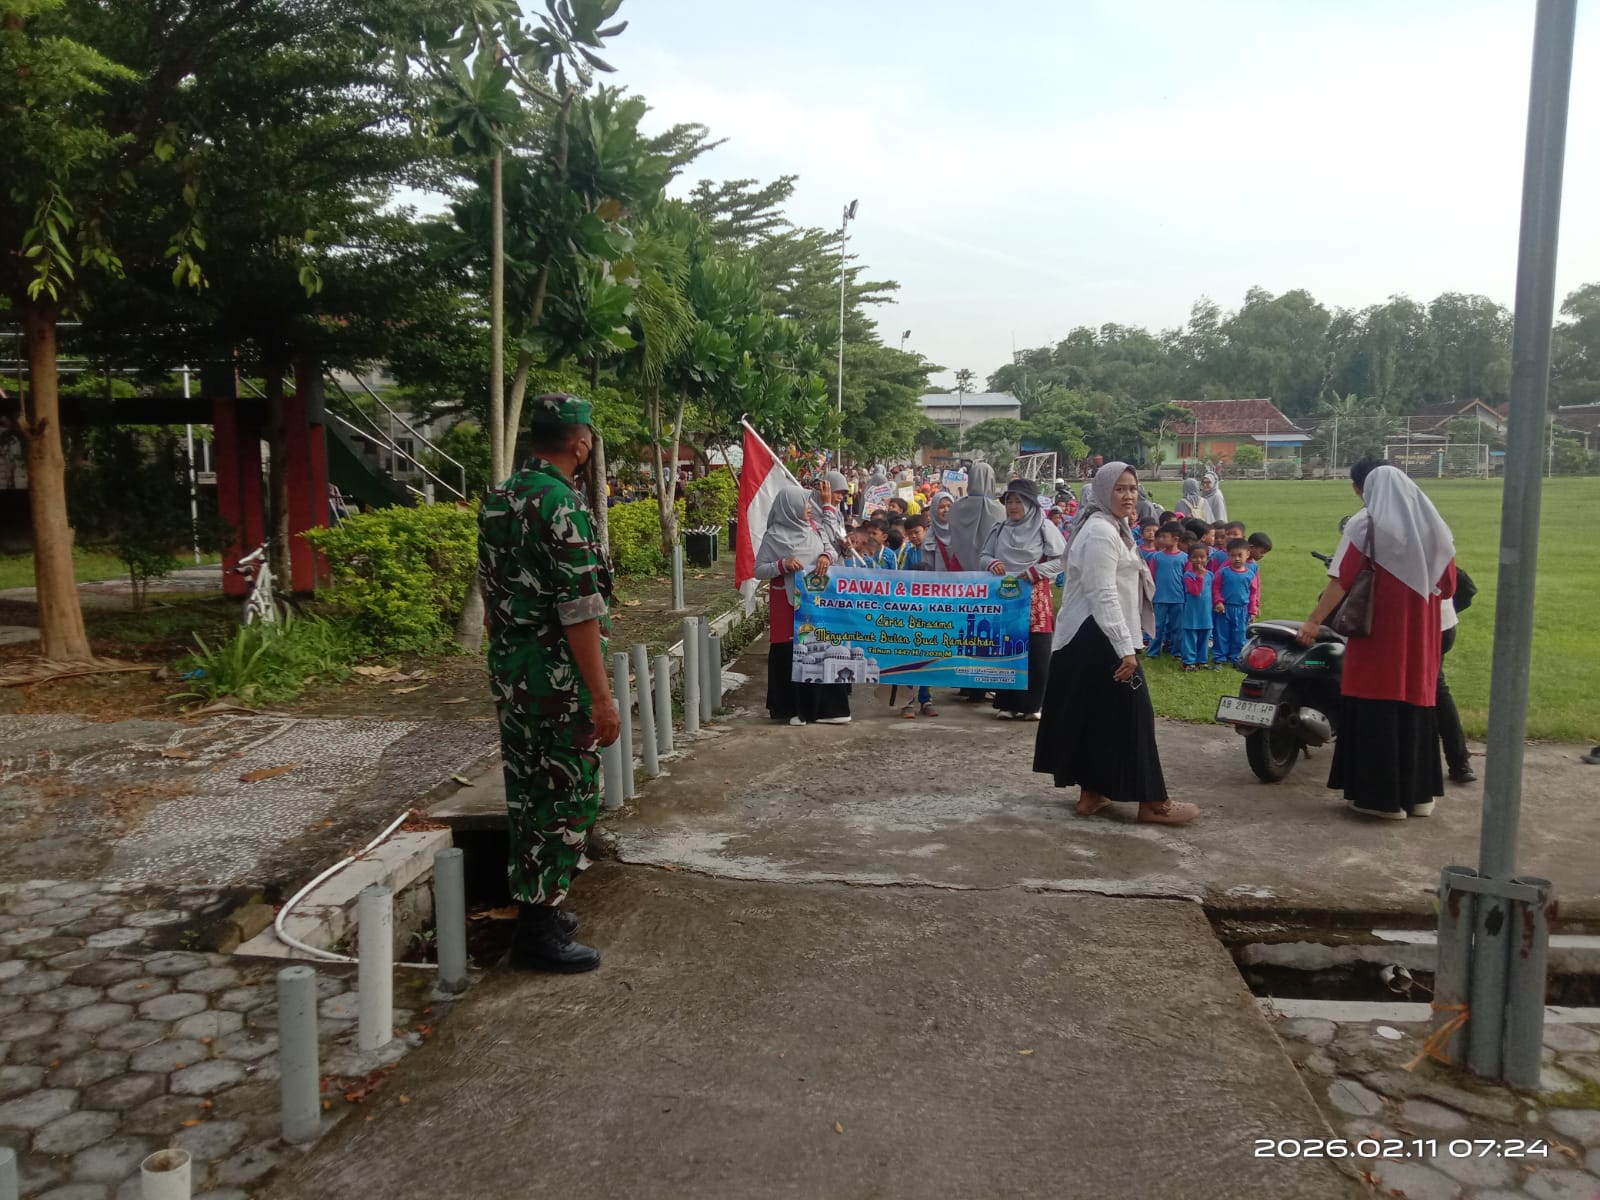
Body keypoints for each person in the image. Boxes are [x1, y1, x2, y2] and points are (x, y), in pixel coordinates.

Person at [478, 393, 620, 973]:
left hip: (514, 674)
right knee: (565, 794)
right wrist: (604, 696)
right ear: (580, 443)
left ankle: (539, 908)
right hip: (559, 681)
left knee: (527, 792)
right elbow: (580, 610)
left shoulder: (499, 498)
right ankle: (538, 929)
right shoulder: (563, 506)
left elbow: (491, 596)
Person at [1033, 463, 1198, 825]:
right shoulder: (1100, 533)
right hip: (1098, 637)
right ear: (1103, 492)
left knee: (1097, 716)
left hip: (1097, 636)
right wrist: (1126, 648)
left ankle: (1092, 794)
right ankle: (1153, 802)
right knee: (1135, 718)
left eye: (1133, 488)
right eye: (1119, 489)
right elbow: (1102, 593)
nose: (1128, 496)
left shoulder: (1112, 528)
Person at [1297, 461, 1456, 820]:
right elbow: (1449, 586)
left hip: (1378, 639)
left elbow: (1341, 580)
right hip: (1420, 639)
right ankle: (1418, 798)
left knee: (1376, 707)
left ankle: (1379, 799)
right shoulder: (1434, 528)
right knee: (1417, 707)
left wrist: (1313, 621)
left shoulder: (1365, 525)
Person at [756, 486, 849, 726]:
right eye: (805, 504)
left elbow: (831, 548)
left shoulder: (814, 529)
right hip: (786, 604)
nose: (809, 508)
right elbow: (758, 569)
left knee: (820, 650)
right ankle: (794, 709)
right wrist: (782, 564)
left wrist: (825, 557)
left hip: (816, 603)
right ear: (791, 508)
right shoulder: (773, 536)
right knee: (792, 654)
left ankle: (829, 710)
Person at [980, 478, 1065, 720]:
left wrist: (1036, 572)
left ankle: (1033, 705)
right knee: (1007, 646)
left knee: (1037, 650)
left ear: (1031, 503)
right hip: (1005, 596)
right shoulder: (1000, 529)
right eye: (1010, 501)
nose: (1013, 506)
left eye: (1019, 501)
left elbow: (1062, 559)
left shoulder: (1044, 527)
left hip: (1036, 594)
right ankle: (1007, 703)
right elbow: (984, 555)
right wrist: (992, 562)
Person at [946, 461, 1004, 572]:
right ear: (992, 481)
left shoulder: (956, 507)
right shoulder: (1000, 510)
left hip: (959, 569)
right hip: (991, 569)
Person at [1212, 539, 1260, 666]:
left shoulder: (1250, 575)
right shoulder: (1223, 572)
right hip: (1225, 609)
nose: (1237, 558)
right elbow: (1215, 588)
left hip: (1242, 609)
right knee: (1222, 634)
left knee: (1239, 635)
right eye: (1233, 555)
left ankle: (1236, 658)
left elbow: (1253, 594)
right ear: (1228, 555)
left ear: (1247, 554)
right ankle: (1219, 658)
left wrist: (1252, 610)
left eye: (1240, 555)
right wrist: (1218, 602)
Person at [1146, 523, 1187, 659]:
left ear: (1176, 538)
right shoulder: (1156, 557)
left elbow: (1186, 579)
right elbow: (1151, 578)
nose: (1161, 540)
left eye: (1165, 537)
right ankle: (1153, 652)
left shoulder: (1184, 558)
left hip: (1178, 598)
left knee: (1178, 627)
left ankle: (1177, 652)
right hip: (1160, 598)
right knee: (1157, 626)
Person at [1179, 544, 1215, 671]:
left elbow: (1213, 592)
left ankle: (1202, 660)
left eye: (1202, 557)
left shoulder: (1210, 575)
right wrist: (1199, 576)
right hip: (1192, 612)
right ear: (1189, 558)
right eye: (1195, 557)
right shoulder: (1188, 575)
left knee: (1204, 636)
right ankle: (1188, 661)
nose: (1199, 560)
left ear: (1207, 558)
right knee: (1190, 636)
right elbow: (1195, 591)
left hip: (1206, 612)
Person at [926, 491, 958, 571]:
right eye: (941, 507)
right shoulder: (929, 538)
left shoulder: (962, 532)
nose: (946, 510)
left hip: (961, 582)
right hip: (937, 582)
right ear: (934, 510)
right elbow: (927, 569)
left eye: (949, 506)